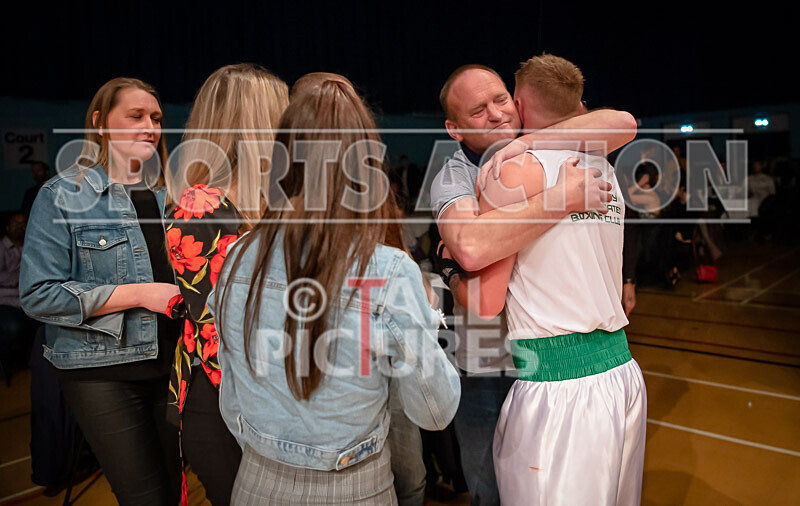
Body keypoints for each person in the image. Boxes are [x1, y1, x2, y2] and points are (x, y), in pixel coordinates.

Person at [208, 73, 460, 505]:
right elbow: (433, 410)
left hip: (254, 483)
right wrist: (425, 318)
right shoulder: (388, 270)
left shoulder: (236, 255)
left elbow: (230, 396)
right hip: (354, 486)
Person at [430, 63, 636, 505]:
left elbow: (624, 123)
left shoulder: (518, 166)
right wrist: (562, 198)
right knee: (489, 490)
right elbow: (469, 244)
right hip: (501, 366)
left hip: (552, 376)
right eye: (478, 110)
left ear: (519, 103)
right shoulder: (591, 163)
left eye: (501, 100)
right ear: (455, 128)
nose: (497, 114)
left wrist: (528, 147)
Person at [19, 77, 182, 506]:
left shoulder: (171, 197)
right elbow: (38, 294)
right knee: (147, 498)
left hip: (174, 368)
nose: (150, 126)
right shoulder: (61, 196)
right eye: (136, 116)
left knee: (175, 489)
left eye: (156, 118)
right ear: (100, 122)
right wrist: (139, 295)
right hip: (102, 374)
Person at [164, 63, 289, 505]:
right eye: (283, 112)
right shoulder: (200, 206)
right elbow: (222, 324)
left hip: (270, 400)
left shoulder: (270, 202)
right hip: (225, 402)